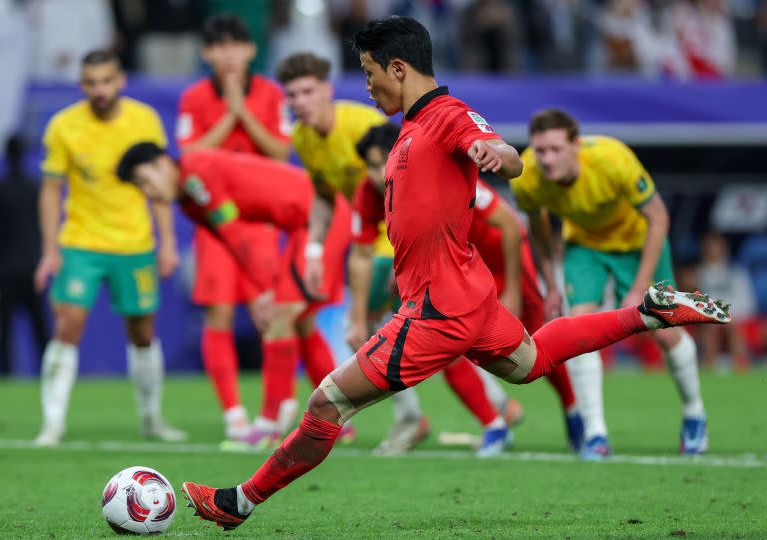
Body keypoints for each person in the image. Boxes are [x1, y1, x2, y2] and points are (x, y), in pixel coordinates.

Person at [176, 16, 731, 531]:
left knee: (326, 404)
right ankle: (647, 313)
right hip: (469, 297)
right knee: (531, 361)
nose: (367, 88)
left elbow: (498, 150)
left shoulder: (445, 115)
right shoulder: (408, 131)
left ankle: (237, 503)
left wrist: (498, 155)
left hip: (437, 309)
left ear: (399, 68)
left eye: (370, 74)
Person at [276, 52, 509, 456]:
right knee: (377, 333)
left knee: (397, 331)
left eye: (307, 91)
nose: (299, 101)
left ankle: (482, 410)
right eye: (292, 94)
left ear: (327, 91)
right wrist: (313, 251)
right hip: (375, 240)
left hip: (408, 246)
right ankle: (474, 408)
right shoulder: (303, 139)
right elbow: (326, 198)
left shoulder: (366, 125)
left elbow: (411, 179)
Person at [350, 123, 583, 455]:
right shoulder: (369, 193)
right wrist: (359, 314)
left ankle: (573, 410)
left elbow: (508, 224)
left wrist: (514, 290)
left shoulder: (429, 171)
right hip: (458, 270)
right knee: (443, 343)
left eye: (378, 163)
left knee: (535, 345)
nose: (374, 174)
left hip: (503, 260)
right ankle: (494, 424)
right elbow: (362, 252)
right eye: (369, 166)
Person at [117, 144, 352, 446]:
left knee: (281, 318)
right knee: (299, 321)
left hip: (319, 219)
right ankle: (337, 421)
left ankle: (268, 426)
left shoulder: (196, 175)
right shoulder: (189, 202)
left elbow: (236, 236)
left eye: (145, 181)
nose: (148, 192)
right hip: (308, 223)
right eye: (140, 188)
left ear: (164, 163)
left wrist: (266, 289)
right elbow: (232, 244)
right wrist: (261, 289)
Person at [511, 108, 710, 458]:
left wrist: (638, 288)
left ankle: (694, 414)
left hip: (637, 243)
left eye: (555, 149)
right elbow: (538, 228)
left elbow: (659, 217)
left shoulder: (612, 159)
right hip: (584, 247)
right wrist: (551, 284)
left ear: (576, 144)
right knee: (577, 329)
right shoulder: (527, 176)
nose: (546, 159)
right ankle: (595, 435)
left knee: (664, 332)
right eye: (540, 150)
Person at [32, 50, 185, 447]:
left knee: (142, 330)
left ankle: (152, 418)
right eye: (90, 83)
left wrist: (168, 243)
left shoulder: (144, 120)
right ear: (82, 85)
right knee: (66, 324)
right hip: (81, 242)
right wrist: (50, 249)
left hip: (134, 243)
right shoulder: (63, 125)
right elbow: (50, 191)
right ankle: (52, 425)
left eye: (106, 81)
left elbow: (159, 186)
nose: (99, 90)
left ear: (120, 81)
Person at [175, 14, 299, 442]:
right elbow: (189, 156)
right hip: (215, 224)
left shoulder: (269, 93)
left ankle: (278, 404)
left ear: (250, 50)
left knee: (273, 313)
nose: (227, 55)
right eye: (218, 47)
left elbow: (280, 153)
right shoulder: (193, 98)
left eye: (235, 46)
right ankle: (233, 413)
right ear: (206, 54)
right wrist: (231, 115)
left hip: (261, 220)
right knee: (219, 312)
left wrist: (240, 109)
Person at [0, 134, 49, 376]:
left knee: (4, 329)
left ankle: (5, 374)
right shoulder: (35, 189)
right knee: (40, 327)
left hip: (4, 267)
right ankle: (49, 374)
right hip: (32, 265)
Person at [697, 231, 754, 371]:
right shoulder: (697, 275)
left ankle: (741, 371)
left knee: (734, 331)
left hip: (735, 319)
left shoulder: (737, 273)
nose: (713, 249)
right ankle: (709, 371)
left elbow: (748, 303)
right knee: (710, 333)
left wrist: (729, 318)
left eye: (717, 246)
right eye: (710, 246)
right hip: (710, 322)